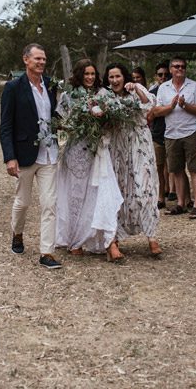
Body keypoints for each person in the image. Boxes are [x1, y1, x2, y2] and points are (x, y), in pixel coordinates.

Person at [0, 44, 63, 270]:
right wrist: (10, 157)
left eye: (44, 59)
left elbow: (56, 114)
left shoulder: (51, 84)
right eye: (37, 58)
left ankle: (47, 252)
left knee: (50, 204)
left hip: (50, 154)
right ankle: (17, 233)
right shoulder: (13, 87)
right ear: (25, 59)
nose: (41, 62)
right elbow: (6, 125)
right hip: (24, 154)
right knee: (23, 202)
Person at [54, 60, 123, 261]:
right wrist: (78, 125)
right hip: (76, 151)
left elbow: (113, 121)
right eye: (86, 74)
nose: (90, 77)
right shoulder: (68, 96)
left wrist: (103, 120)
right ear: (79, 75)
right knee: (76, 195)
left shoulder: (103, 95)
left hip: (98, 150)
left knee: (102, 192)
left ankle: (109, 240)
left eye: (93, 74)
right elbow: (60, 123)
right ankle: (75, 239)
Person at [103, 63, 162, 258]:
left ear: (124, 76)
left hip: (139, 145)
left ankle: (152, 236)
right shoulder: (106, 96)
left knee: (145, 189)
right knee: (118, 192)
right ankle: (114, 238)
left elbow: (150, 105)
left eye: (117, 76)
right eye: (111, 77)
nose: (114, 81)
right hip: (117, 147)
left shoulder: (136, 89)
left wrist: (136, 87)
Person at [152, 56, 196, 219]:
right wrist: (171, 106)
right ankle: (181, 203)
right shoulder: (163, 88)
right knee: (176, 170)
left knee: (194, 169)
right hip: (171, 133)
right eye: (176, 66)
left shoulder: (194, 86)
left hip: (191, 132)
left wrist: (185, 105)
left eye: (182, 66)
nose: (180, 69)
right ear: (170, 69)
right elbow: (156, 111)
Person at [148, 62, 171, 208]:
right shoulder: (153, 92)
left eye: (165, 74)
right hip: (157, 133)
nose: (163, 77)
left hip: (173, 131)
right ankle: (160, 197)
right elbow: (151, 113)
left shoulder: (173, 90)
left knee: (175, 168)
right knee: (158, 166)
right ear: (156, 76)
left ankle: (183, 197)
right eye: (160, 74)